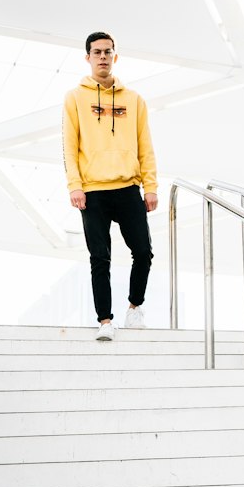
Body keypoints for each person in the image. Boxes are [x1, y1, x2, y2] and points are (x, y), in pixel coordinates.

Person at [63, 31, 158, 341]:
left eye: (107, 52)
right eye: (96, 52)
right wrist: (74, 185)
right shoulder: (75, 98)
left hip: (128, 186)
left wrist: (151, 186)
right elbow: (69, 145)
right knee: (99, 257)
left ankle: (134, 307)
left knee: (143, 252)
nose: (102, 56)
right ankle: (105, 320)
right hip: (91, 189)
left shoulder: (134, 100)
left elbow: (146, 145)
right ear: (88, 58)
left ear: (115, 57)